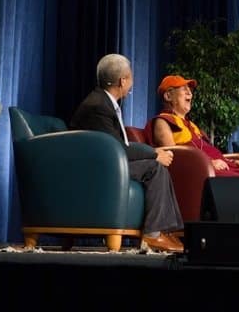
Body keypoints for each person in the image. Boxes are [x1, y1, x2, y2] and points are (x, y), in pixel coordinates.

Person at [69, 54, 184, 253]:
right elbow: (117, 148)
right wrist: (153, 154)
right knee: (155, 167)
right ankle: (153, 234)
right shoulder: (97, 106)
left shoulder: (106, 102)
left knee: (157, 167)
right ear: (123, 81)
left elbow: (117, 145)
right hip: (98, 168)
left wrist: (152, 153)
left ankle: (164, 231)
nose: (132, 83)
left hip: (109, 162)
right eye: (131, 78)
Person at [143, 74, 239, 177]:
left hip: (213, 165)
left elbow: (209, 150)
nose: (190, 94)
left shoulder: (192, 125)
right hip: (198, 170)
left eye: (190, 91)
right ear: (168, 95)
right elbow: (171, 156)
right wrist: (208, 162)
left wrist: (230, 161)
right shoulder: (163, 121)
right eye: (184, 90)